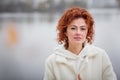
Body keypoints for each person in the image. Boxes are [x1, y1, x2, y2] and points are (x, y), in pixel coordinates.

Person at [44, 7, 117, 80]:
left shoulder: (101, 56)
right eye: (73, 28)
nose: (78, 33)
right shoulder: (52, 61)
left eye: (82, 29)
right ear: (65, 31)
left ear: (87, 32)